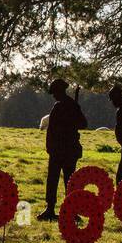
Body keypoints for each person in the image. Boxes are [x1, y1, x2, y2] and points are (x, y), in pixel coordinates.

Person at [37, 78, 88, 221]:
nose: (54, 95)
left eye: (55, 93)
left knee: (69, 181)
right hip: (58, 150)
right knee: (54, 180)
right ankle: (51, 209)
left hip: (66, 150)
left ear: (60, 91)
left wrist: (72, 121)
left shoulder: (70, 106)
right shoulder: (63, 106)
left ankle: (71, 210)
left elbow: (83, 124)